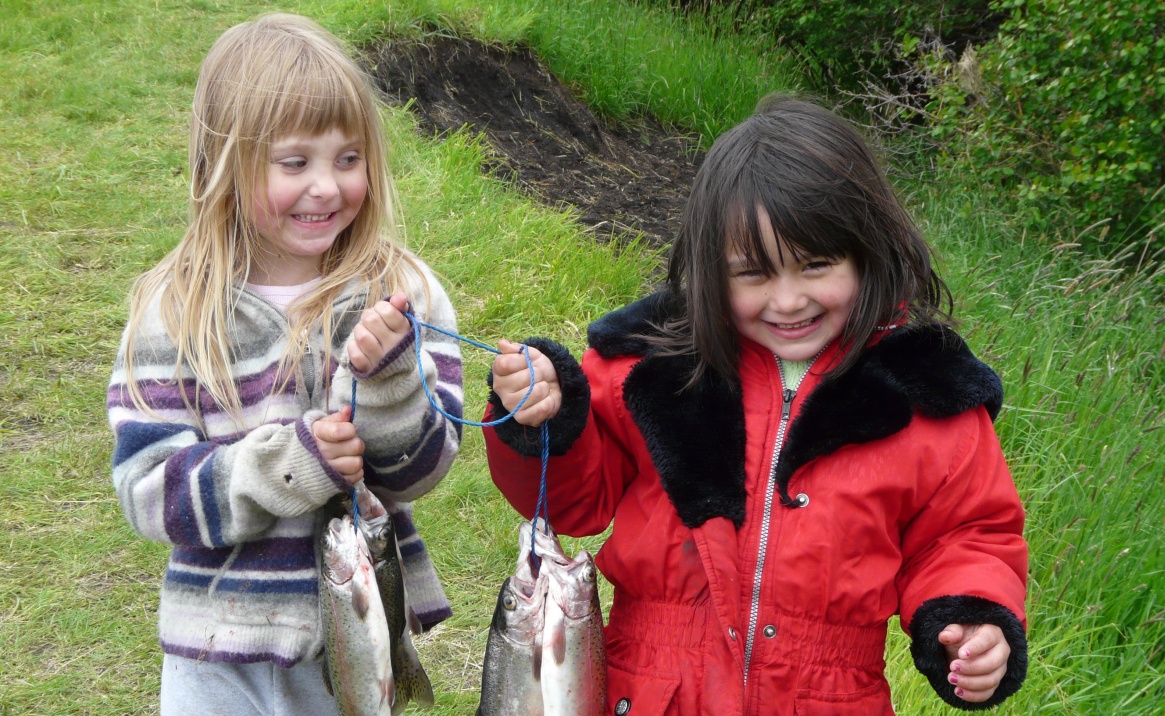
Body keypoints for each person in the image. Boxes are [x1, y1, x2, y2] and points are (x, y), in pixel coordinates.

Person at [484, 96, 1028, 714]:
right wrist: (543, 421)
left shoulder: (925, 398)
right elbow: (573, 501)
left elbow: (968, 536)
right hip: (651, 688)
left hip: (831, 695)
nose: (789, 300)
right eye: (754, 274)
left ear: (869, 253)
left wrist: (974, 620)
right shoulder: (652, 367)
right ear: (709, 269)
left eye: (817, 265)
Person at [106, 14, 462, 715]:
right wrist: (289, 466)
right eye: (295, 162)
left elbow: (426, 469)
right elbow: (147, 492)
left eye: (349, 158)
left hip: (358, 643)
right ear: (225, 163)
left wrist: (390, 383)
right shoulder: (175, 310)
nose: (326, 187)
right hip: (214, 658)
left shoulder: (402, 292)